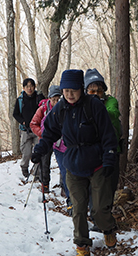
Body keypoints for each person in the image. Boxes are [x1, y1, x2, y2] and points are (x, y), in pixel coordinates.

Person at [31, 69, 118, 256]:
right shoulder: (59, 109)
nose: (69, 94)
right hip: (73, 166)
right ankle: (82, 244)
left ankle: (108, 229)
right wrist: (39, 150)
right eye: (66, 90)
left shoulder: (94, 106)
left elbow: (108, 135)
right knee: (78, 209)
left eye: (73, 90)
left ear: (81, 88)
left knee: (98, 211)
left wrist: (110, 158)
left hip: (97, 164)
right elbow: (49, 134)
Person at [84, 68, 122, 232]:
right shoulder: (83, 105)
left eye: (99, 90)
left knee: (109, 187)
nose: (96, 93)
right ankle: (96, 219)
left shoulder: (110, 102)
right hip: (92, 153)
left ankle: (105, 219)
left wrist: (98, 109)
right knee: (93, 188)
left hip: (112, 151)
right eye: (91, 90)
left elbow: (113, 113)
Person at [30, 85, 63, 193]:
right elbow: (33, 124)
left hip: (60, 141)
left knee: (63, 164)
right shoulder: (42, 109)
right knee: (44, 163)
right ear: (49, 98)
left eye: (58, 99)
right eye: (54, 99)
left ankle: (64, 187)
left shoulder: (64, 108)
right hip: (46, 140)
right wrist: (43, 133)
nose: (56, 101)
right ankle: (45, 185)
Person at [13, 78, 45, 178]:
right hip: (25, 130)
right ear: (23, 88)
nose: (29, 88)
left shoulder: (39, 97)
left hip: (38, 129)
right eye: (27, 86)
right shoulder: (20, 100)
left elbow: (45, 108)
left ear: (34, 87)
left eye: (31, 86)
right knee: (26, 153)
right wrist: (23, 121)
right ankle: (24, 168)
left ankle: (37, 173)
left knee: (38, 152)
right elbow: (15, 114)